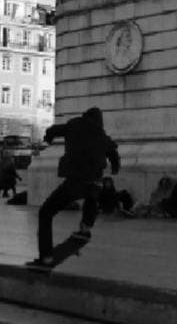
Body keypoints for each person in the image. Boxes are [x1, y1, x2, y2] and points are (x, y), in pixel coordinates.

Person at [31, 107, 120, 269]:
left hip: (75, 181)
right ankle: (85, 227)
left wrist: (48, 138)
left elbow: (53, 129)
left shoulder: (74, 125)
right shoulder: (102, 135)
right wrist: (115, 168)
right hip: (93, 183)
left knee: (46, 213)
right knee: (92, 195)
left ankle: (46, 257)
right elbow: (113, 152)